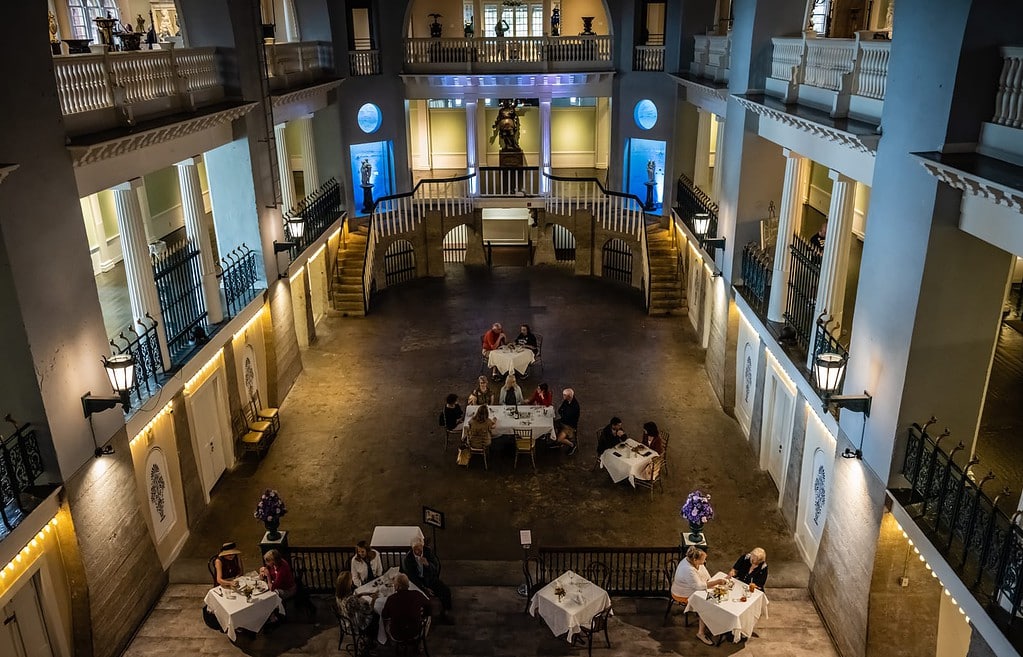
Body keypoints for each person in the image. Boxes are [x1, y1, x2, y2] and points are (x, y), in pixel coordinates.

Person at [672, 546, 729, 645]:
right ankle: (701, 633)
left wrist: (713, 584)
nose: (705, 561)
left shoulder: (695, 561)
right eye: (703, 559)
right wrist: (718, 581)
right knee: (708, 602)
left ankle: (717, 622)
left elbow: (706, 575)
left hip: (695, 588)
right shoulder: (687, 569)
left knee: (718, 595)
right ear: (695, 560)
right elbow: (698, 586)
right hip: (683, 593)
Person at [402, 538, 452, 615]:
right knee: (418, 597)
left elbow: (436, 568)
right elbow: (412, 577)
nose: (419, 551)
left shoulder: (428, 552)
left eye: (420, 548)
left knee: (446, 591)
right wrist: (424, 588)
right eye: (416, 549)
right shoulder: (408, 559)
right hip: (417, 582)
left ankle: (446, 612)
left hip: (430, 579)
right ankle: (423, 616)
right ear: (412, 549)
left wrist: (428, 564)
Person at [381, 573, 431, 640]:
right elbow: (429, 606)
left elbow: (384, 615)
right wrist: (423, 615)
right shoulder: (417, 594)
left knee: (386, 623)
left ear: (397, 587)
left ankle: (388, 642)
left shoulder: (391, 598)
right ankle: (421, 644)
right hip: (415, 632)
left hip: (397, 634)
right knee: (428, 619)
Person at [335, 571, 378, 637]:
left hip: (346, 623)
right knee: (376, 615)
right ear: (347, 584)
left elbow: (350, 602)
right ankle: (372, 638)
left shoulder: (338, 596)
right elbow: (369, 610)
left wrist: (361, 594)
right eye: (350, 580)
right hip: (355, 626)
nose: (352, 581)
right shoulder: (351, 600)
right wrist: (374, 599)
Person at [554, 388, 580, 454]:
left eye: (564, 395)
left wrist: (563, 414)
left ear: (569, 396)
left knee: (560, 439)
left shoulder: (575, 406)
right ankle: (556, 442)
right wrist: (563, 414)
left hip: (570, 426)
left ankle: (572, 445)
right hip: (563, 422)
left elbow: (567, 417)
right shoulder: (566, 401)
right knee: (552, 425)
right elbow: (560, 410)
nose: (563, 396)